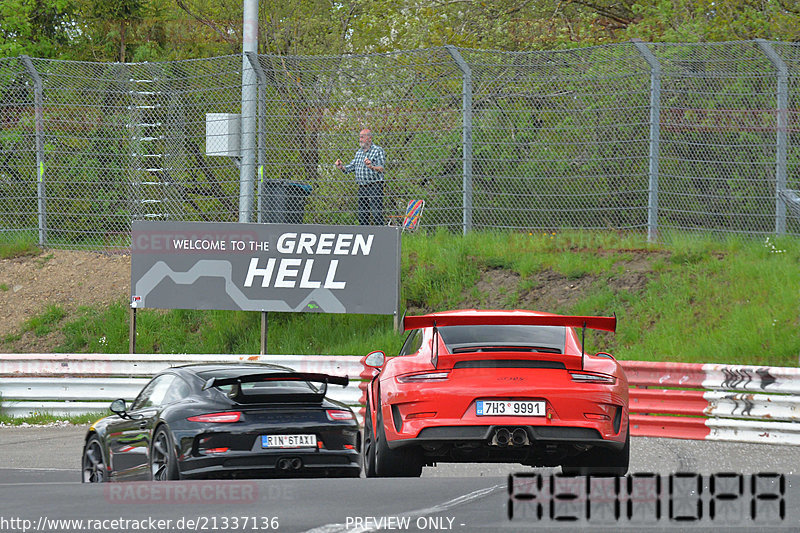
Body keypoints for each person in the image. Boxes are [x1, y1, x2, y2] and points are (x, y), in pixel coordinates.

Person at [335, 129, 385, 225]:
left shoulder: (377, 150)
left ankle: (380, 234)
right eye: (360, 137)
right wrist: (341, 167)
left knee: (376, 213)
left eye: (363, 136)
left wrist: (371, 166)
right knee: (362, 214)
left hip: (375, 186)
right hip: (362, 187)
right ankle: (365, 235)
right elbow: (351, 167)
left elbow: (381, 168)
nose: (360, 139)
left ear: (369, 138)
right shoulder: (359, 153)